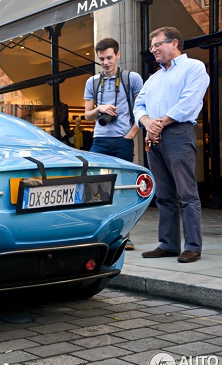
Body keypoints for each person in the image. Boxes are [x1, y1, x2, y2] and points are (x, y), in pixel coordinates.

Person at [133, 26, 210, 263]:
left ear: (174, 43)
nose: (153, 50)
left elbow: (188, 103)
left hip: (178, 132)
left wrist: (160, 123)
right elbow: (139, 105)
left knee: (187, 193)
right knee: (164, 195)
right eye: (152, 46)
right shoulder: (154, 78)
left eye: (157, 45)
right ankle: (168, 244)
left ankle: (193, 246)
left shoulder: (194, 68)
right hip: (154, 138)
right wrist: (147, 123)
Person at [84, 37, 144, 250]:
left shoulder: (132, 78)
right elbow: (88, 115)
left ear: (118, 55)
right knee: (93, 188)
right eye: (102, 59)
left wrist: (131, 135)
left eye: (109, 57)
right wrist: (100, 109)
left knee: (123, 189)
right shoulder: (93, 81)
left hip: (123, 141)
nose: (106, 62)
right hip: (99, 141)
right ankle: (98, 233)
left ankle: (124, 235)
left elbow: (142, 109)